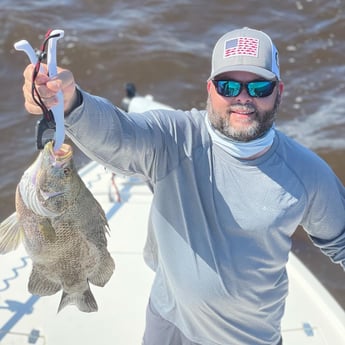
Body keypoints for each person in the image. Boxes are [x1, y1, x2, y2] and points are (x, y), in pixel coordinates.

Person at [22, 27, 345, 345]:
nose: (243, 98)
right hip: (166, 314)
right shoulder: (173, 137)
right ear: (210, 88)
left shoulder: (308, 173)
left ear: (279, 91)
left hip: (243, 337)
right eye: (228, 85)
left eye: (260, 87)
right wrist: (69, 101)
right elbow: (119, 136)